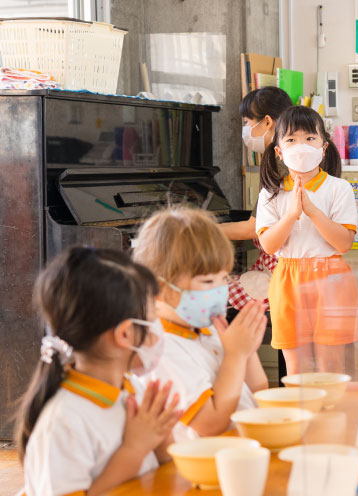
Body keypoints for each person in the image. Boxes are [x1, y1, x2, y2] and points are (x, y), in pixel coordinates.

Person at [16, 247, 181, 495]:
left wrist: (162, 438)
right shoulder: (64, 423)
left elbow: (163, 473)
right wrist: (134, 449)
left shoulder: (132, 388)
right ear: (125, 334)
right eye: (152, 316)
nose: (158, 326)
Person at [133, 207, 268, 440]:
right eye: (207, 281)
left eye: (224, 278)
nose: (220, 290)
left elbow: (259, 393)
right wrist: (235, 355)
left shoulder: (204, 327)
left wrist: (247, 351)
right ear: (159, 287)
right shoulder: (160, 350)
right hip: (205, 465)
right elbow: (211, 424)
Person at [256, 105, 358, 375]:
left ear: (324, 147)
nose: (301, 145)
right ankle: (301, 418)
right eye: (291, 139)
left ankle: (332, 416)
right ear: (279, 151)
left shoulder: (339, 188)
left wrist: (312, 211)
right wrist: (291, 214)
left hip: (332, 278)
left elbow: (344, 243)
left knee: (330, 366)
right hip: (288, 279)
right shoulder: (271, 193)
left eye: (309, 138)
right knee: (296, 369)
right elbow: (269, 245)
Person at [221, 87, 293, 312]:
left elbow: (254, 228)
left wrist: (202, 229)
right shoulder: (290, 154)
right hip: (285, 269)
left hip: (282, 275)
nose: (245, 130)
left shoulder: (278, 161)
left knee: (204, 296)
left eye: (247, 123)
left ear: (268, 122)